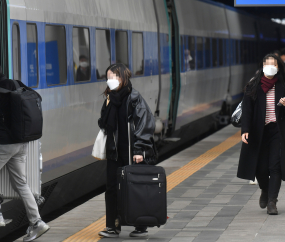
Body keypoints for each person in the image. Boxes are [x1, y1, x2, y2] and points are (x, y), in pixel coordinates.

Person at [97, 63, 157, 238]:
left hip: (131, 151)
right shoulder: (110, 98)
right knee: (112, 188)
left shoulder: (135, 98)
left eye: (113, 77)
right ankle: (112, 226)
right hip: (115, 151)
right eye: (108, 77)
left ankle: (141, 225)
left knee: (135, 187)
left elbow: (145, 124)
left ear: (122, 78)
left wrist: (139, 150)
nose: (109, 81)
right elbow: (103, 122)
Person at [0, 69, 50, 241]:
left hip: (5, 144)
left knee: (20, 183)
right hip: (22, 143)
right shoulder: (15, 84)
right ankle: (37, 222)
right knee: (21, 183)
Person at [238, 54, 285, 215]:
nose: (270, 66)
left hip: (277, 131)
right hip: (259, 132)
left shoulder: (283, 85)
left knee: (275, 166)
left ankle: (272, 201)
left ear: (278, 67)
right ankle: (264, 189)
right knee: (261, 168)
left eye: (274, 64)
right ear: (262, 66)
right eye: (267, 63)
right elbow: (247, 111)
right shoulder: (253, 85)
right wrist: (245, 130)